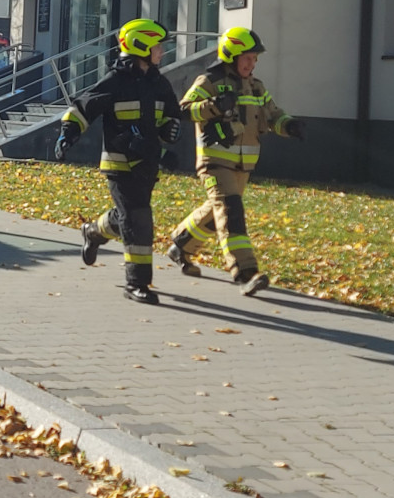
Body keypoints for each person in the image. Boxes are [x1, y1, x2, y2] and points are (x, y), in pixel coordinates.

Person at [52, 18, 182, 305]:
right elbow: (83, 107)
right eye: (158, 46)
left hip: (147, 163)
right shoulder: (115, 81)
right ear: (142, 46)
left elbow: (172, 113)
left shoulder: (159, 82)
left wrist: (171, 128)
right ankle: (137, 283)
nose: (162, 51)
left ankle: (94, 232)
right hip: (119, 164)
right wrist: (67, 136)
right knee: (138, 218)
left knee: (128, 215)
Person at [169, 26, 303, 297]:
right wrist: (215, 106)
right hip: (214, 161)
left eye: (254, 59)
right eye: (247, 58)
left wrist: (288, 126)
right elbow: (183, 110)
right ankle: (244, 272)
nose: (251, 64)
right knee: (231, 212)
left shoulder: (256, 86)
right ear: (231, 54)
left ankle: (181, 244)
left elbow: (272, 113)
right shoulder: (209, 81)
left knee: (217, 209)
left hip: (244, 164)